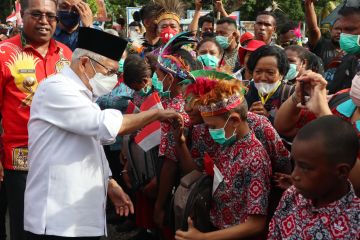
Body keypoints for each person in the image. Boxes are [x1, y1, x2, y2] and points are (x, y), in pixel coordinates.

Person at [23, 27, 182, 239]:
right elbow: (103, 126)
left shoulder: (84, 94)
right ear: (84, 63)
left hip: (79, 216)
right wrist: (155, 115)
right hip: (57, 218)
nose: (113, 80)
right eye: (109, 72)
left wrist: (109, 182)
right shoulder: (56, 88)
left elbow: (92, 143)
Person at [0, 0, 72, 239]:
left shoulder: (66, 54)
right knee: (26, 230)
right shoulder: (4, 53)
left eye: (50, 16)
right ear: (23, 15)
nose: (44, 21)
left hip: (63, 160)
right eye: (37, 14)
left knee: (59, 228)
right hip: (22, 162)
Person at [175, 80, 272, 239]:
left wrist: (203, 238)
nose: (210, 132)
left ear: (234, 120)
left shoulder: (254, 158)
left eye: (212, 127)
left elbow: (256, 224)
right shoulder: (226, 144)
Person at [268, 115, 360, 239]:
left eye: (305, 168)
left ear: (341, 172)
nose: (294, 175)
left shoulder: (354, 227)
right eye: (295, 164)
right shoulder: (292, 196)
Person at [245, 45, 294, 124]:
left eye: (270, 72)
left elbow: (292, 130)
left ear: (281, 74)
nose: (263, 77)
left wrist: (268, 118)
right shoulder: (245, 91)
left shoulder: (291, 95)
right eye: (258, 71)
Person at [304, 0, 344, 82]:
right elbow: (313, 29)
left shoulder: (353, 52)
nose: (339, 32)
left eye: (343, 30)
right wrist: (308, 4)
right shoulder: (321, 45)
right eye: (336, 29)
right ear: (331, 30)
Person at [327, 4, 360, 94]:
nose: (343, 35)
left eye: (350, 29)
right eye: (342, 30)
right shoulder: (348, 59)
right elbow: (334, 90)